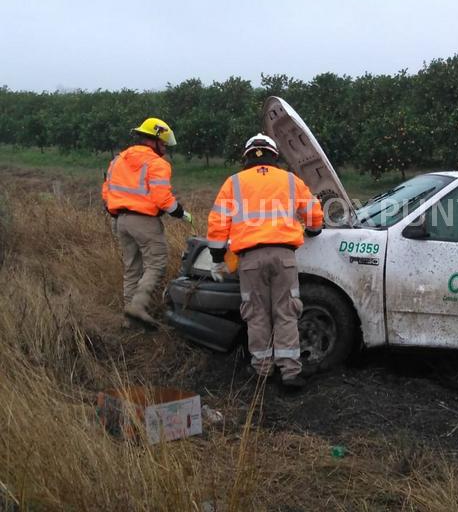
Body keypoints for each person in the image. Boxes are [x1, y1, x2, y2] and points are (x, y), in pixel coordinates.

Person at [207, 133, 323, 388]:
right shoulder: (290, 180)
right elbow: (314, 214)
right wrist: (313, 230)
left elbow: (217, 223)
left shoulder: (233, 183)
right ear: (275, 155)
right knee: (287, 312)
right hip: (284, 258)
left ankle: (261, 370)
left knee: (256, 314)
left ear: (247, 156)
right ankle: (290, 373)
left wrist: (217, 258)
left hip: (249, 260)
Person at [102, 118, 192, 327]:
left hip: (120, 221)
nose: (165, 149)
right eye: (164, 144)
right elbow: (162, 198)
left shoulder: (118, 159)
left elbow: (106, 191)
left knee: (132, 268)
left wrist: (115, 209)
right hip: (144, 221)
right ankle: (138, 306)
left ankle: (129, 321)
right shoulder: (157, 164)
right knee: (157, 263)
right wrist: (180, 212)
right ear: (155, 140)